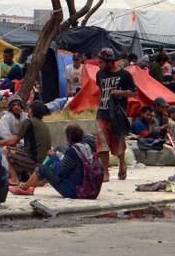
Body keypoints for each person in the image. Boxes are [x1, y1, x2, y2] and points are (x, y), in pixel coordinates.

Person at [22, 124, 98, 199]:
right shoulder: (86, 147)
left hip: (74, 191)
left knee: (42, 168)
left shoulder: (73, 151)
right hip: (90, 189)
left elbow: (60, 171)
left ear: (69, 137)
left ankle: (24, 187)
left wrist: (54, 157)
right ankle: (28, 186)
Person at [0, 101, 51, 193]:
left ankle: (14, 178)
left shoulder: (28, 121)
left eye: (19, 105)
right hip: (42, 161)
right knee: (18, 150)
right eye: (14, 105)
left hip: (34, 161)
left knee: (6, 150)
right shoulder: (43, 124)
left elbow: (13, 141)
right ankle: (32, 178)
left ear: (31, 111)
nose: (17, 107)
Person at [95, 48, 137, 182]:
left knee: (118, 141)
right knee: (102, 143)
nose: (98, 64)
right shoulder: (99, 74)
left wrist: (121, 93)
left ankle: (122, 164)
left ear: (109, 62)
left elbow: (134, 93)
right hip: (102, 112)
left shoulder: (125, 75)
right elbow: (101, 92)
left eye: (101, 62)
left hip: (118, 114)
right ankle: (105, 172)